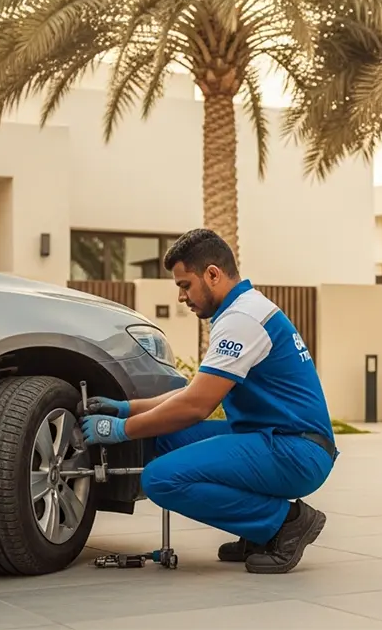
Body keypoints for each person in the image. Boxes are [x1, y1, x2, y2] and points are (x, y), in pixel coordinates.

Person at [78, 228, 337, 574]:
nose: (182, 297)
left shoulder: (242, 320)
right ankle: (256, 529)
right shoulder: (241, 311)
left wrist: (121, 429)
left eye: (185, 285)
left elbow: (196, 406)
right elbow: (195, 392)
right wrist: (128, 408)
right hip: (273, 438)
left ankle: (284, 523)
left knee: (159, 479)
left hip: (296, 451)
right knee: (163, 437)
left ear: (212, 274)